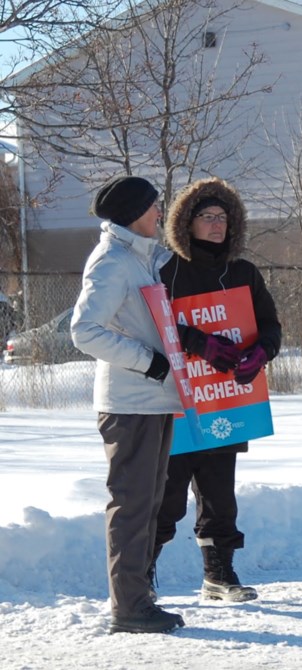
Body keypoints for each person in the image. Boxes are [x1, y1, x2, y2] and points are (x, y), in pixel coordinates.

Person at [153, 177, 281, 602]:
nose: (215, 224)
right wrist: (198, 342)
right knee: (167, 500)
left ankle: (219, 575)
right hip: (177, 401)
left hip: (228, 402)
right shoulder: (165, 269)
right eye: (207, 217)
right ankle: (140, 578)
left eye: (223, 218)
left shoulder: (242, 272)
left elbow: (270, 327)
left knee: (220, 498)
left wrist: (260, 354)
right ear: (186, 223)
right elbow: (152, 324)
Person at [70, 175, 185, 634]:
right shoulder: (112, 262)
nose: (161, 213)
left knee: (147, 502)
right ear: (136, 211)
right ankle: (129, 605)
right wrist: (150, 363)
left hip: (152, 401)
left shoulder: (142, 259)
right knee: (133, 503)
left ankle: (138, 596)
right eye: (155, 206)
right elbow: (84, 330)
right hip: (130, 402)